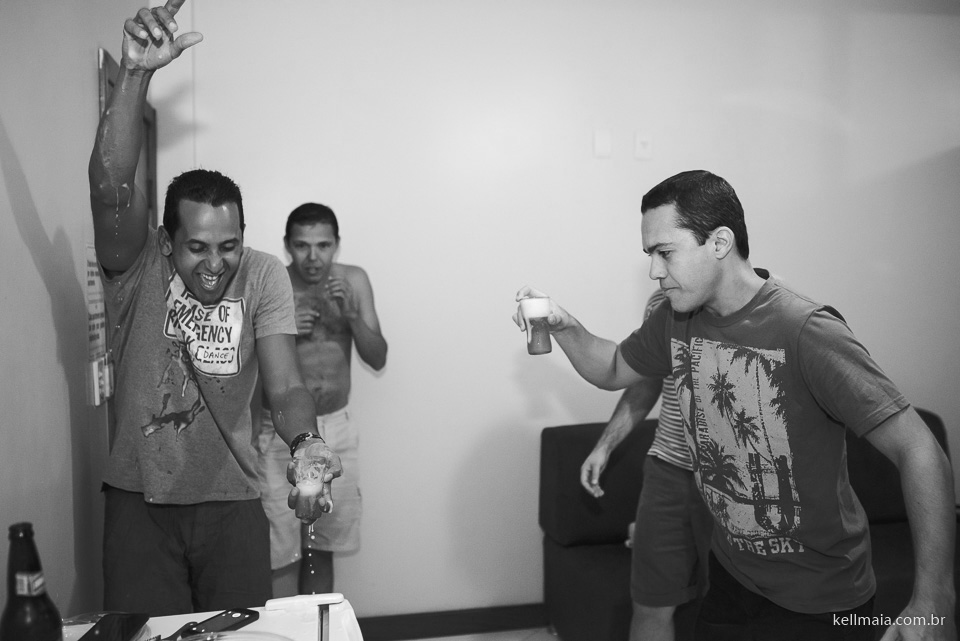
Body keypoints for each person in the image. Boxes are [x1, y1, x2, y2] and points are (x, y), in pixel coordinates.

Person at [515, 170, 956, 641]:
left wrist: (933, 600)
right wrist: (563, 325)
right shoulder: (675, 319)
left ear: (720, 242)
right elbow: (612, 367)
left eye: (665, 252)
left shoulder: (805, 330)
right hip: (733, 580)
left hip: (823, 600)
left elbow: (920, 450)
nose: (654, 271)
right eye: (650, 255)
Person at [88, 0, 341, 615]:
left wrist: (306, 442)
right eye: (196, 247)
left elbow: (284, 388)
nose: (213, 264)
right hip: (139, 503)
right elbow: (111, 187)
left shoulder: (262, 274)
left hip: (232, 501)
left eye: (228, 246)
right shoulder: (139, 266)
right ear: (168, 242)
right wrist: (136, 74)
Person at [255, 203, 387, 596]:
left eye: (323, 245)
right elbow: (250, 367)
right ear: (286, 246)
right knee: (278, 549)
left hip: (336, 428)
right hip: (282, 432)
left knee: (321, 545)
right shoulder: (272, 282)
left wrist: (350, 314)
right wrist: (286, 325)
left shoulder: (354, 281)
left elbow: (377, 357)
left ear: (337, 245)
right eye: (302, 245)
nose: (313, 257)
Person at [580, 289, 711, 641]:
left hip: (734, 484)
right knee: (651, 604)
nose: (656, 268)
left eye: (665, 253)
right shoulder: (660, 305)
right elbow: (647, 380)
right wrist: (605, 446)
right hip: (667, 472)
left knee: (736, 605)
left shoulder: (765, 301)